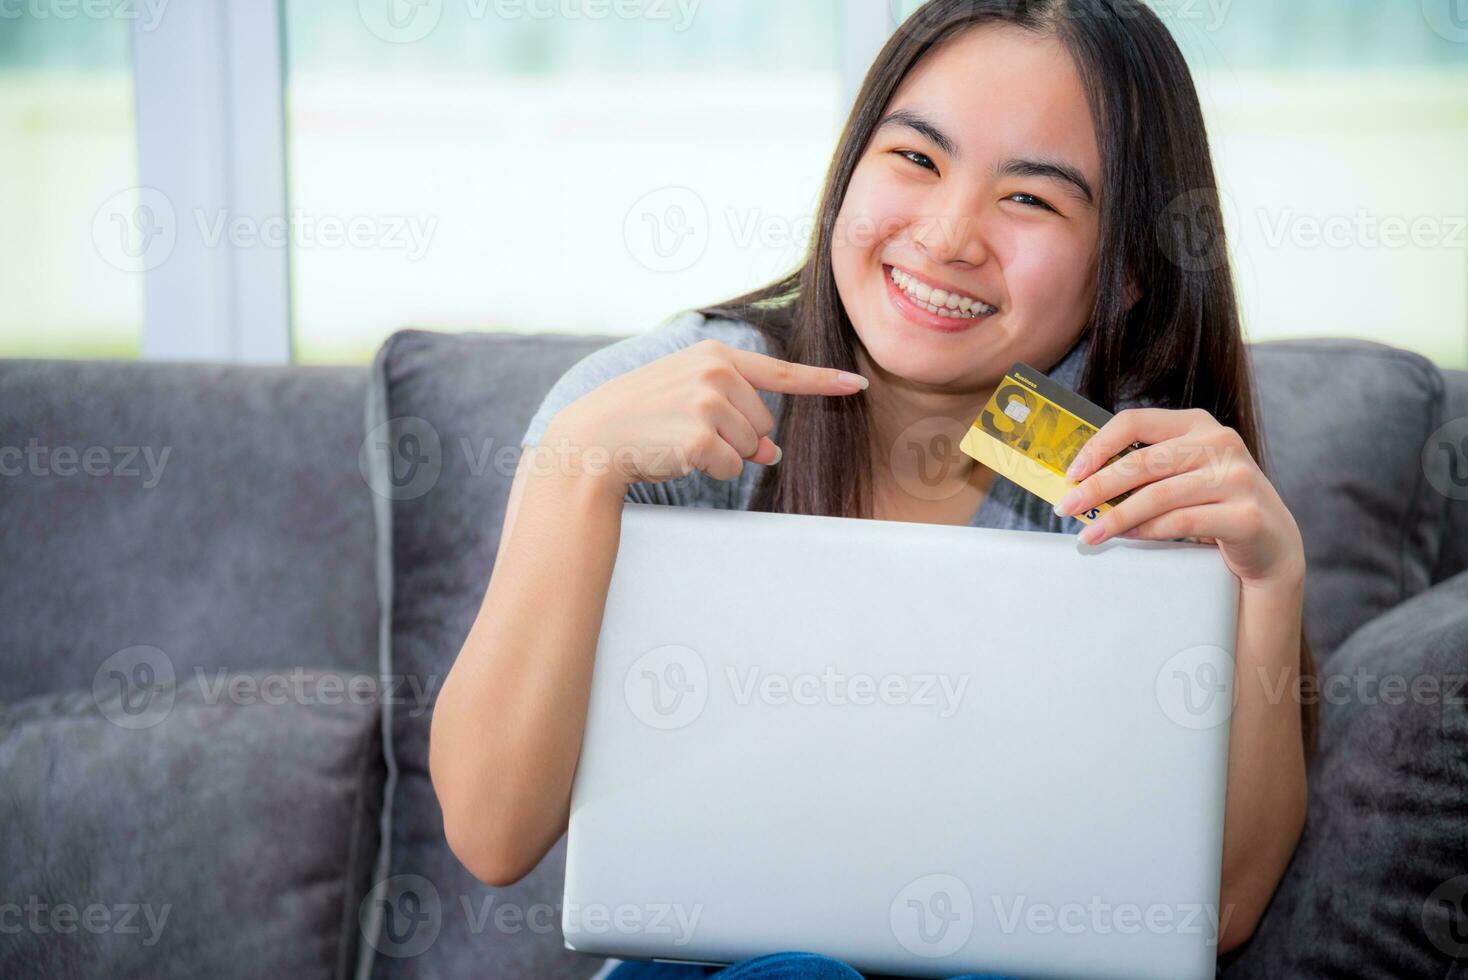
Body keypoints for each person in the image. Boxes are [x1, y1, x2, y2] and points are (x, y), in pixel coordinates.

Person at [430, 1, 1318, 976]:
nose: (946, 237)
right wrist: (573, 468)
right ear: (848, 169)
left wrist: (1267, 585)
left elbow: (1217, 911)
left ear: (1126, 277)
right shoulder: (654, 414)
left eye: (1031, 199)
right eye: (916, 159)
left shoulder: (1139, 477)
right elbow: (493, 830)